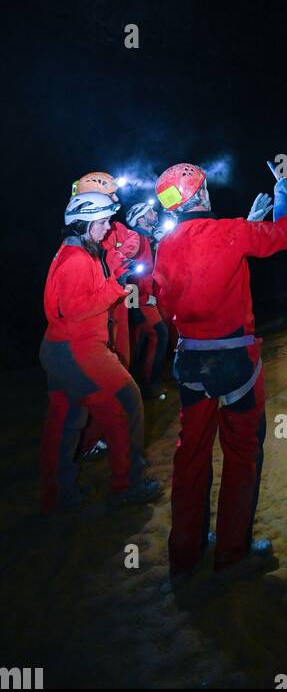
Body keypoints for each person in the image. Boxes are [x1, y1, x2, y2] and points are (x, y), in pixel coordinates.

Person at [153, 161, 287, 580]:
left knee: (191, 455)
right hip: (235, 362)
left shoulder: (166, 245)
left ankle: (185, 552)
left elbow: (167, 304)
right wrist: (285, 195)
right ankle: (231, 553)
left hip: (191, 363)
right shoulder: (228, 231)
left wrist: (245, 227)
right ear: (199, 195)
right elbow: (285, 236)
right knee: (242, 453)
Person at [40, 189, 161, 511]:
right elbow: (76, 308)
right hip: (78, 349)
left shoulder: (76, 251)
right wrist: (117, 286)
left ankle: (57, 494)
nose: (108, 227)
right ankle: (128, 485)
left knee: (67, 421)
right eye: (103, 221)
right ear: (83, 222)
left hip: (59, 349)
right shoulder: (77, 260)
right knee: (126, 404)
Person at [71, 172, 141, 368]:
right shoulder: (81, 247)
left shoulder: (110, 228)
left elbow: (132, 240)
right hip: (102, 308)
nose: (117, 199)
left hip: (116, 298)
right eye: (111, 194)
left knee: (121, 347)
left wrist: (122, 255)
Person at [124, 199, 169, 397]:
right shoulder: (135, 239)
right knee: (159, 334)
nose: (155, 214)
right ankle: (149, 385)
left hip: (145, 301)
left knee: (139, 343)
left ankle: (138, 384)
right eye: (150, 212)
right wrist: (134, 309)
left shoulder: (146, 240)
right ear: (141, 219)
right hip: (140, 303)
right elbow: (128, 275)